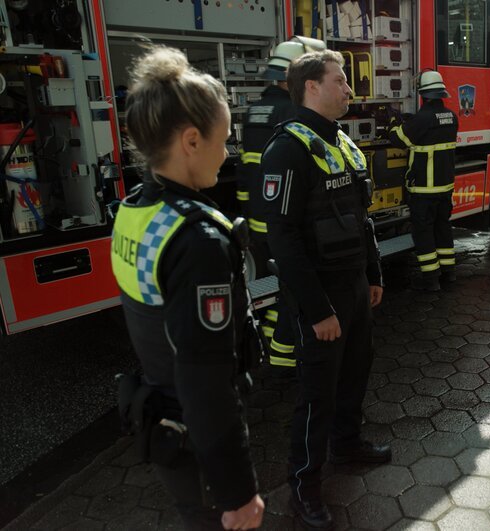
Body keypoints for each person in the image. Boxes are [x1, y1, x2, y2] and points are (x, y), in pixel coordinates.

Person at [110, 46, 264, 530]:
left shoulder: (135, 208)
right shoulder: (196, 241)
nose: (229, 151)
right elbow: (206, 382)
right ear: (192, 140)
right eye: (224, 139)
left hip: (164, 423)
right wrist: (238, 493)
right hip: (197, 444)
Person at [254, 50, 387, 529]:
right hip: (321, 297)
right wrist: (316, 311)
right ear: (311, 86)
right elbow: (283, 241)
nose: (350, 89)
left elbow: (362, 219)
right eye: (341, 80)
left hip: (353, 286)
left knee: (355, 374)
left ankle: (348, 446)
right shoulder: (286, 149)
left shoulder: (341, 143)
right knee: (317, 395)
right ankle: (304, 486)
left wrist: (373, 276)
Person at [236, 37, 323, 373]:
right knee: (292, 287)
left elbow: (246, 168)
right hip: (283, 218)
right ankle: (286, 358)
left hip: (257, 217)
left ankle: (269, 347)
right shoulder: (293, 112)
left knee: (272, 287)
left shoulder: (254, 109)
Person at [388, 70, 458, 291]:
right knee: (442, 228)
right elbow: (431, 131)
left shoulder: (422, 119)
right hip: (445, 188)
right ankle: (448, 272)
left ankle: (431, 279)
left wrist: (392, 122)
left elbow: (399, 139)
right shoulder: (452, 117)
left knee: (424, 232)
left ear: (423, 96)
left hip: (423, 190)